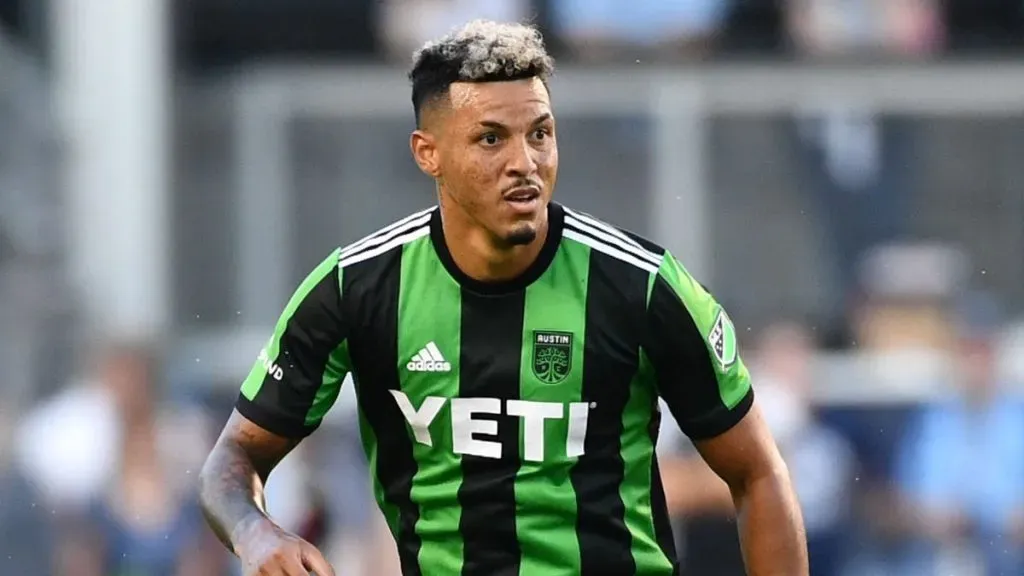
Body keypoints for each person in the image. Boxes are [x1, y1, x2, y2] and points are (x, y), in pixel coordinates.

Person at [199, 19, 808, 576]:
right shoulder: (355, 289)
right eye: (491, 139)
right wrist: (255, 533)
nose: (526, 162)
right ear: (427, 153)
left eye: (539, 133)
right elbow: (233, 460)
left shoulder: (641, 285)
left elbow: (757, 472)